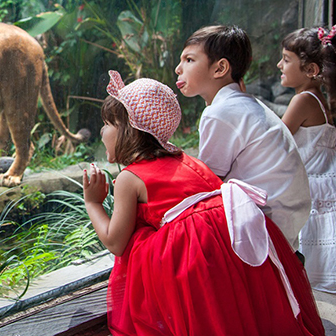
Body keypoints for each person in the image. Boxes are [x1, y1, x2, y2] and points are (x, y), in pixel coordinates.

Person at [83, 70, 324, 335]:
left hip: (193, 268)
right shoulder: (188, 161)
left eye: (108, 124)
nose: (103, 130)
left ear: (130, 130)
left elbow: (116, 242)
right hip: (229, 258)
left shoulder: (130, 178)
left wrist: (93, 203)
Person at [174, 25, 310, 251]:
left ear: (220, 68)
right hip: (287, 217)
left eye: (189, 60)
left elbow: (208, 180)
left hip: (265, 222)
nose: (178, 69)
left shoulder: (220, 112)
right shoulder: (245, 103)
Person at [278, 25, 336, 293]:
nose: (280, 64)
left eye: (287, 60)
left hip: (313, 187)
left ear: (311, 70)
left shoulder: (303, 100)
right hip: (324, 184)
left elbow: (276, 139)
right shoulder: (319, 98)